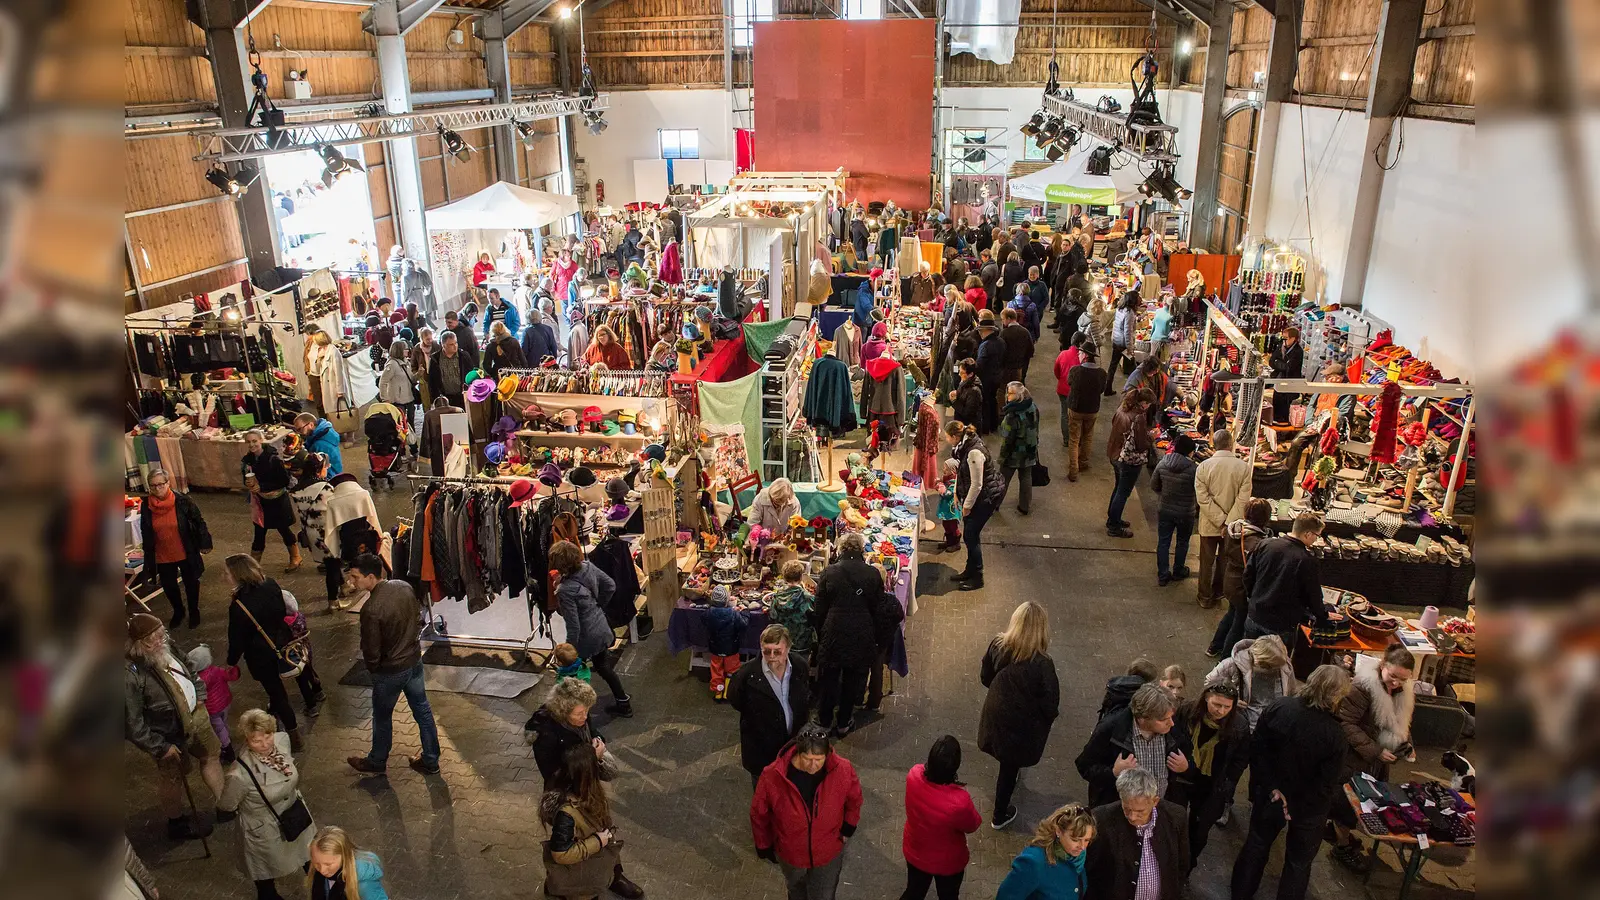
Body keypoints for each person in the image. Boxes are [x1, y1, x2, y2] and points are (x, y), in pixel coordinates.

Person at [1230, 666, 1351, 900]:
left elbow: (1257, 749)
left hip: (1270, 794)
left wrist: (1271, 788)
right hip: (1308, 808)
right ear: (1336, 695)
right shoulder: (1335, 734)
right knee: (1298, 863)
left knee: (1256, 847)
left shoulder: (1279, 707)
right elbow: (1326, 782)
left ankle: (1240, 894)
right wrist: (1293, 805)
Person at [124, 613, 227, 841]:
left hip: (196, 718)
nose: (164, 640)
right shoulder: (130, 675)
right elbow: (132, 723)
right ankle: (177, 822)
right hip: (168, 736)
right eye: (157, 637)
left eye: (163, 634)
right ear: (142, 643)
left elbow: (188, 666)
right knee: (173, 778)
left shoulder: (166, 645)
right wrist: (159, 747)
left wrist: (199, 695)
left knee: (211, 755)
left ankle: (225, 805)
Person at [345, 553, 441, 775]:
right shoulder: (404, 587)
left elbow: (371, 650)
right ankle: (431, 760)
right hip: (413, 661)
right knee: (423, 710)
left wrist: (374, 669)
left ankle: (377, 761)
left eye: (355, 577)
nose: (352, 582)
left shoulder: (371, 609)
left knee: (382, 716)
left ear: (370, 577)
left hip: (390, 672)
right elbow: (418, 619)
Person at [1329, 644, 1417, 869]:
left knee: (1364, 802)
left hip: (1375, 762)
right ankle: (1341, 846)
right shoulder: (1361, 688)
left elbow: (1400, 722)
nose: (1396, 683)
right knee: (1347, 804)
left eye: (1403, 680)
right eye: (1393, 676)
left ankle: (1341, 834)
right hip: (1355, 759)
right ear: (1383, 665)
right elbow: (1346, 723)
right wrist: (1375, 751)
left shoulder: (1400, 691)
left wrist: (1406, 745)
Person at [750, 724, 863, 900]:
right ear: (797, 752)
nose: (813, 765)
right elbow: (759, 814)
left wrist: (848, 827)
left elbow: (854, 800)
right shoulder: (773, 775)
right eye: (807, 759)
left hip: (828, 850)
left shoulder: (843, 769)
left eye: (819, 759)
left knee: (825, 894)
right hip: (791, 853)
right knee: (796, 890)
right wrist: (763, 844)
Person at [978, 601, 1060, 829]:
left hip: (996, 715)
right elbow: (1051, 704)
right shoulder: (1043, 664)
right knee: (1009, 768)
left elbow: (985, 677)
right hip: (1021, 727)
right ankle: (999, 815)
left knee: (1006, 760)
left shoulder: (998, 645)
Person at [220, 708, 316, 900]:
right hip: (264, 829)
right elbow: (227, 805)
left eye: (267, 735)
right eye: (256, 740)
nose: (265, 744)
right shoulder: (239, 774)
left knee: (309, 857)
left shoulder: (281, 741)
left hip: (295, 816)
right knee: (264, 873)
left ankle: (324, 891)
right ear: (246, 740)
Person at [539, 742, 645, 899]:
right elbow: (560, 854)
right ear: (587, 774)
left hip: (593, 860)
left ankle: (613, 878)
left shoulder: (586, 793)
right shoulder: (567, 814)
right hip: (581, 879)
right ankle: (560, 888)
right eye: (595, 765)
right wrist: (597, 841)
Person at [223, 553, 307, 749]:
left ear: (238, 575)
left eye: (226, 573)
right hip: (282, 641)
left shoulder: (239, 606)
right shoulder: (270, 584)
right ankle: (310, 700)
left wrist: (231, 661)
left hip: (261, 655)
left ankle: (293, 735)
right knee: (291, 676)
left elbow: (237, 638)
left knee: (276, 691)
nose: (224, 577)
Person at [812, 533, 891, 737]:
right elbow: (878, 607)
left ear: (841, 549)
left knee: (829, 678)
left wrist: (822, 632)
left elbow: (819, 608)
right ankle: (844, 721)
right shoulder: (873, 574)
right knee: (852, 680)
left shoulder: (829, 572)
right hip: (860, 632)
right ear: (861, 550)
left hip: (834, 631)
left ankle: (825, 720)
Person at [550, 540, 633, 717]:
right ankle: (623, 701)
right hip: (600, 626)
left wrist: (569, 652)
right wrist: (598, 606)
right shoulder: (587, 567)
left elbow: (573, 626)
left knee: (574, 674)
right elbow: (610, 585)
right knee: (604, 666)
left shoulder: (565, 590)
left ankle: (574, 711)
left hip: (586, 637)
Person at [1075, 682, 1192, 809]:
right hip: (1122, 812)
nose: (1171, 723)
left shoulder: (1173, 728)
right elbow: (1084, 766)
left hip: (1159, 809)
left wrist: (1186, 768)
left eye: (1171, 717)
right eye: (1163, 720)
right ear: (1143, 718)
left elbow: (1191, 764)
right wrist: (1113, 773)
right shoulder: (1111, 729)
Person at [1085, 768, 1189, 900]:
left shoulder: (1176, 816)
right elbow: (1091, 868)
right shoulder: (1101, 819)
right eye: (1127, 809)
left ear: (1155, 801)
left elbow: (1182, 863)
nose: (1132, 817)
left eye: (1140, 811)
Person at [729, 624, 812, 788]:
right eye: (767, 651)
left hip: (792, 747)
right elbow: (736, 700)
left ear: (788, 648)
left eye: (777, 651)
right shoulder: (746, 675)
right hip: (761, 751)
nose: (772, 656)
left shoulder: (800, 666)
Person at [900, 735, 982, 900]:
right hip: (947, 862)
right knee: (948, 896)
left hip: (916, 850)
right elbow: (973, 825)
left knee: (914, 892)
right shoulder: (960, 802)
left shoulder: (913, 775)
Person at [1175, 683, 1248, 867]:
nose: (1221, 711)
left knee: (1198, 833)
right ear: (1206, 697)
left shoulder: (1239, 726)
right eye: (1216, 704)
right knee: (1174, 823)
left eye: (1226, 707)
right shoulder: (1187, 712)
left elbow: (1240, 758)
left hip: (1210, 785)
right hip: (1180, 778)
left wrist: (1227, 783)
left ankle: (1187, 866)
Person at [1242, 512, 1329, 648]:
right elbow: (1313, 596)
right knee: (1274, 665)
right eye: (1317, 536)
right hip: (1280, 626)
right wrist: (1323, 616)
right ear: (1308, 534)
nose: (1316, 540)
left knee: (1247, 659)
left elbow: (1248, 575)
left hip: (1255, 615)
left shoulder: (1265, 544)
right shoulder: (1307, 561)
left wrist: (1253, 598)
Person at [140, 469, 212, 629]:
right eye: (153, 486)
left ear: (168, 483)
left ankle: (194, 611)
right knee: (169, 586)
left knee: (191, 583)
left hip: (185, 550)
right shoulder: (146, 505)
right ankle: (178, 611)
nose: (157, 489)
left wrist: (205, 542)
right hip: (162, 554)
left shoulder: (183, 501)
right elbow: (145, 529)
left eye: (161, 484)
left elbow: (199, 521)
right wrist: (147, 552)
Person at [941, 420, 1005, 590]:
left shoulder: (974, 452)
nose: (946, 440)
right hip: (978, 496)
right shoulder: (965, 446)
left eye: (947, 437)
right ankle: (970, 570)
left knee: (971, 535)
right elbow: (962, 471)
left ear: (955, 436)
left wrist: (967, 506)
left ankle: (977, 577)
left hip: (985, 498)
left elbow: (977, 484)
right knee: (970, 535)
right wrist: (956, 493)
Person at [1194, 430, 1252, 610]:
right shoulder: (1243, 468)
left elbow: (1202, 498)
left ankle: (1204, 596)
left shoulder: (1203, 467)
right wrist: (1227, 523)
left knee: (1206, 562)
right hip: (1231, 526)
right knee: (1225, 561)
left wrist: (1218, 520)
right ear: (1231, 443)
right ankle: (1218, 591)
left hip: (1209, 524)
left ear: (1214, 444)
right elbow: (1243, 499)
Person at [1209, 498, 1273, 658]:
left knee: (1231, 613)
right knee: (1238, 623)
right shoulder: (1256, 542)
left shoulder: (1235, 530)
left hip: (1230, 580)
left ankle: (1214, 646)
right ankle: (1225, 658)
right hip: (1243, 586)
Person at [525, 677, 616, 785]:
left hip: (585, 776)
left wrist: (597, 738)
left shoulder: (580, 711)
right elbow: (553, 776)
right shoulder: (546, 736)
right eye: (579, 714)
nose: (585, 716)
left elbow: (591, 730)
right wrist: (592, 758)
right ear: (563, 712)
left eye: (587, 711)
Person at [995, 804, 1096, 900]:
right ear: (1058, 831)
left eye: (1087, 840)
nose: (1082, 847)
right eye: (1075, 839)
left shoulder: (1079, 856)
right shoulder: (1034, 863)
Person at [1204, 633, 1294, 734]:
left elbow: (1291, 692)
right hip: (1244, 725)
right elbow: (1209, 684)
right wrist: (1229, 701)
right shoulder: (1232, 665)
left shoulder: (1283, 665)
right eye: (1267, 665)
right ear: (1256, 656)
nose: (1272, 669)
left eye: (1275, 666)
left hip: (1272, 724)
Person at [241, 430, 302, 571]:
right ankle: (254, 566)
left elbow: (284, 481)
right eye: (249, 442)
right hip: (261, 503)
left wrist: (261, 486)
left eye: (254, 441)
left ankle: (295, 556)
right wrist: (248, 483)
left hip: (277, 501)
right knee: (259, 532)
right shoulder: (247, 460)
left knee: (283, 529)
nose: (252, 444)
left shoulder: (273, 459)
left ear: (261, 440)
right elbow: (244, 476)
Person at [1104, 389, 1155, 538]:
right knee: (1123, 492)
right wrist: (1151, 437)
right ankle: (1114, 526)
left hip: (1114, 453)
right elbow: (1140, 444)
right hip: (1127, 459)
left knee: (1118, 488)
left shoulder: (1123, 407)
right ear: (1143, 403)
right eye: (1149, 404)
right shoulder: (1137, 417)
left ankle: (1113, 518)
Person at [1149, 434, 1198, 586]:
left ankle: (1163, 575)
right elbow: (1199, 490)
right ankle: (1178, 570)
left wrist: (1164, 494)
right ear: (1189, 452)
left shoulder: (1163, 462)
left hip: (1165, 509)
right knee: (1182, 542)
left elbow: (1154, 485)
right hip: (1185, 512)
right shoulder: (1194, 469)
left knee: (1163, 541)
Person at [306, 826, 389, 900]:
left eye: (328, 864)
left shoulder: (365, 884)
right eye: (316, 863)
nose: (322, 870)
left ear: (344, 855)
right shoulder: (325, 871)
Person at [187, 644, 238, 763]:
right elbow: (230, 676)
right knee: (223, 723)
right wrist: (234, 669)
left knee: (218, 728)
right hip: (225, 702)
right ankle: (227, 739)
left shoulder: (197, 680)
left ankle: (227, 749)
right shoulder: (217, 670)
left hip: (212, 709)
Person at [1062, 345, 1106, 482]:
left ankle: (1073, 470)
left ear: (1086, 355)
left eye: (1080, 353)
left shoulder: (1075, 370)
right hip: (1092, 409)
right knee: (1088, 436)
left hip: (1075, 408)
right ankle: (1084, 463)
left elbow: (1069, 382)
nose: (1079, 355)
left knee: (1074, 439)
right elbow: (1102, 390)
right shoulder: (1102, 373)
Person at [997, 381, 1040, 516]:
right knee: (1026, 477)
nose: (1007, 396)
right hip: (1030, 449)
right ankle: (1024, 506)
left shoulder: (1012, 415)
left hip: (1013, 454)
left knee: (1002, 480)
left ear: (1018, 395)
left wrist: (1002, 457)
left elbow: (1007, 438)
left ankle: (994, 504)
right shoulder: (1032, 407)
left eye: (1010, 393)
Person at [704, 586, 747, 701]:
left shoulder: (708, 613)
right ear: (727, 600)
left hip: (715, 648)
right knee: (732, 670)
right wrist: (745, 612)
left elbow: (703, 619)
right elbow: (743, 624)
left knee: (716, 670)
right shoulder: (733, 614)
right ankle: (728, 693)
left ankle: (718, 692)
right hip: (731, 648)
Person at [763, 562, 816, 653]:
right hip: (803, 646)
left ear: (784, 577)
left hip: (783, 644)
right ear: (800, 577)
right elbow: (814, 620)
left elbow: (772, 618)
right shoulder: (808, 598)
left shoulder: (777, 597)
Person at [975, 310, 1005, 434]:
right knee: (993, 400)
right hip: (998, 377)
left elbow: (980, 364)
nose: (980, 333)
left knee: (986, 403)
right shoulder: (1000, 342)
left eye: (981, 331)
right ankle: (994, 424)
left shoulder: (985, 345)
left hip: (986, 379)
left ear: (986, 330)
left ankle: (986, 427)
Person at [1104, 291, 1140, 392]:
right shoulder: (1130, 313)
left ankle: (1108, 387)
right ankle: (1133, 390)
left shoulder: (1120, 309)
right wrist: (1130, 348)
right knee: (1133, 369)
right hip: (1123, 344)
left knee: (1113, 365)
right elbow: (1127, 332)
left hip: (1116, 340)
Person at [1268, 326, 1305, 424]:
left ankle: (1283, 431)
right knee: (1276, 407)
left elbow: (1288, 368)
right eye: (1283, 338)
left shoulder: (1298, 352)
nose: (1284, 340)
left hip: (1290, 386)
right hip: (1278, 382)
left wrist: (1278, 363)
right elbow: (1271, 362)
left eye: (1286, 338)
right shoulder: (1281, 347)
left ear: (1293, 338)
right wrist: (1280, 364)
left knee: (1285, 412)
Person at [294, 412, 344, 477]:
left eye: (300, 429)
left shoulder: (320, 445)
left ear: (311, 425)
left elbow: (319, 469)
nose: (298, 433)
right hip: (335, 473)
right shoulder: (324, 433)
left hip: (330, 476)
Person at [303, 330, 337, 418]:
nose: (309, 338)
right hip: (313, 375)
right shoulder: (310, 345)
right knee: (318, 402)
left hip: (325, 376)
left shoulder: (327, 348)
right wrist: (307, 370)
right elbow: (306, 358)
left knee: (329, 401)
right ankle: (324, 420)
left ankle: (334, 421)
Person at [999, 307, 1035, 387]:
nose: (1002, 321)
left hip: (1007, 367)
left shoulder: (1004, 333)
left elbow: (1001, 350)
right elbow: (1031, 350)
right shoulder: (1025, 331)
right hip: (1020, 366)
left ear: (1008, 318)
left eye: (1003, 319)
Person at [949, 358, 984, 431]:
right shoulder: (965, 381)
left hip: (968, 428)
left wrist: (954, 401)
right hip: (961, 424)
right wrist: (957, 393)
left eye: (962, 373)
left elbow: (967, 413)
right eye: (959, 371)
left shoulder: (975, 391)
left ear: (971, 374)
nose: (959, 374)